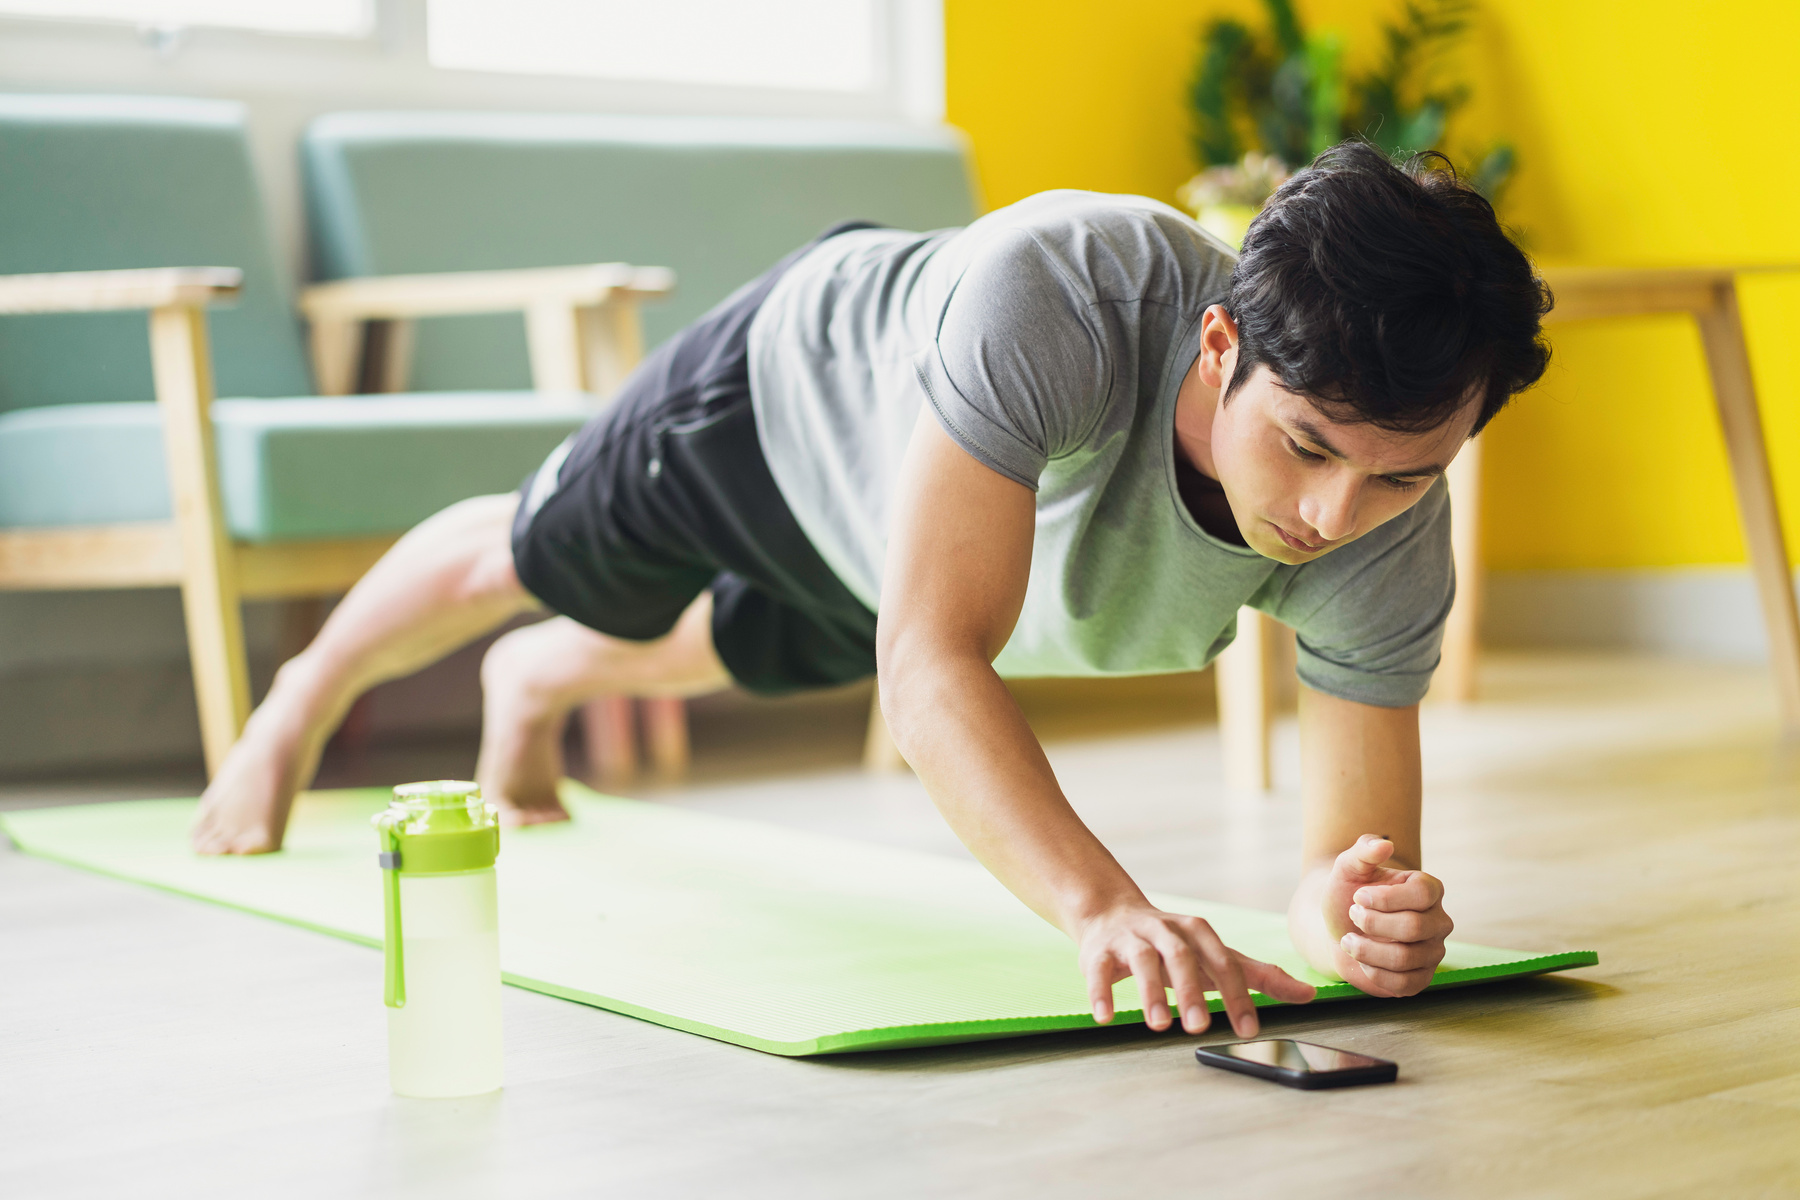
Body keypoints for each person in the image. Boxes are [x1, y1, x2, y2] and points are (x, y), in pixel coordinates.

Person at [191, 142, 1551, 1042]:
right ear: (1216, 346)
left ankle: (534, 677)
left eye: (1401, 476)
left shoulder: (1392, 531)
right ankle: (298, 701)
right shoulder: (1066, 293)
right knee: (532, 556)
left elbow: (1341, 860)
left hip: (905, 562)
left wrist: (1354, 927)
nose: (1333, 520)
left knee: (714, 649)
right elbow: (932, 665)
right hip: (783, 399)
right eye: (1306, 448)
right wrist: (1102, 906)